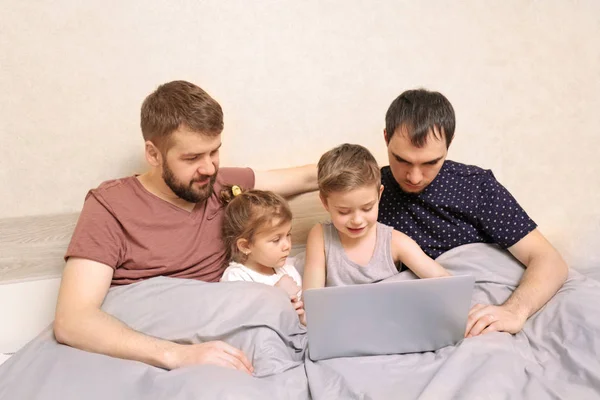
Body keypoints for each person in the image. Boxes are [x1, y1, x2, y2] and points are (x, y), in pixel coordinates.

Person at [53, 80, 317, 375]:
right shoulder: (110, 206)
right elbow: (72, 319)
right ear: (153, 154)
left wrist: (372, 168)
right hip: (152, 346)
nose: (208, 168)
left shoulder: (224, 185)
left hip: (224, 331)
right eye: (192, 158)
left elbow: (308, 178)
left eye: (214, 152)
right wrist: (178, 355)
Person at [378, 89, 569, 338]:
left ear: (449, 142)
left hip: (488, 300)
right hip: (421, 311)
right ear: (385, 138)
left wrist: (514, 311)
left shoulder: (475, 186)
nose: (414, 177)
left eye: (430, 163)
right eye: (402, 160)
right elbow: (321, 175)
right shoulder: (369, 190)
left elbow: (549, 260)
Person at [302, 144, 450, 294]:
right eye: (344, 212)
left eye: (367, 208)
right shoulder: (320, 236)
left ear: (379, 195)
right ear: (325, 202)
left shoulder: (395, 242)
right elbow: (312, 296)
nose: (357, 220)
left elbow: (442, 278)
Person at [219, 186, 304, 321]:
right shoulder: (236, 277)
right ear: (246, 246)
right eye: (276, 240)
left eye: (288, 235)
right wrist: (278, 295)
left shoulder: (287, 268)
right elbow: (239, 321)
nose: (287, 245)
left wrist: (303, 318)